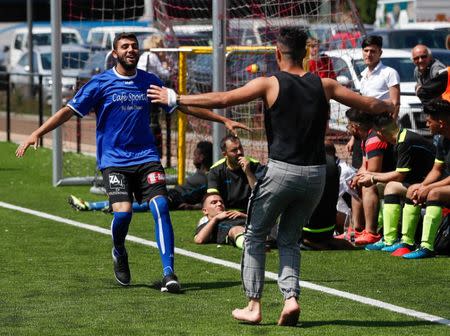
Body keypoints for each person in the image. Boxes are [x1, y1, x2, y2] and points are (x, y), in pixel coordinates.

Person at [148, 26, 394, 326]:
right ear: (306, 53)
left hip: (282, 171)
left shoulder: (269, 83)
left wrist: (176, 98)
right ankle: (290, 299)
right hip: (316, 174)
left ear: (278, 53)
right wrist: (389, 106)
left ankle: (253, 304)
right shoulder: (325, 84)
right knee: (290, 239)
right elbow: (368, 103)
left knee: (254, 236)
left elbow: (224, 99)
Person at [15, 33, 249, 293]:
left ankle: (169, 273)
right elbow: (68, 111)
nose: (130, 50)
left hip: (147, 158)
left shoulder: (150, 83)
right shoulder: (100, 84)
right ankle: (119, 250)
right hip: (114, 162)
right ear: (115, 53)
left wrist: (223, 121)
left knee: (160, 206)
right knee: (123, 213)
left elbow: (182, 105)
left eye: (134, 46)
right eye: (124, 46)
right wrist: (38, 132)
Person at [379, 98, 450, 258]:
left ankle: (427, 247)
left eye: (429, 121)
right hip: (445, 184)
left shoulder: (407, 140)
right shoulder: (441, 140)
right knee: (413, 189)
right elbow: (437, 169)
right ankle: (407, 242)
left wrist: (428, 188)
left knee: (434, 194)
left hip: (445, 186)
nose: (426, 124)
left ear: (441, 123)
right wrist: (422, 185)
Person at [356, 114, 435, 252]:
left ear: (380, 133)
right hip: (423, 182)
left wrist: (373, 178)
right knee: (388, 186)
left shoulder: (404, 141)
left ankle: (395, 240)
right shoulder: (402, 138)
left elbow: (399, 175)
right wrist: (369, 175)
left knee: (391, 186)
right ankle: (389, 239)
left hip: (432, 185)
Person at [68, 140, 213, 212]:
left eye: (195, 154)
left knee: (146, 204)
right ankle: (100, 205)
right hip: (172, 194)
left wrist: (193, 206)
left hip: (174, 198)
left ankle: (91, 205)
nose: (192, 157)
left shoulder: (207, 178)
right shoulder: (201, 174)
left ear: (202, 157)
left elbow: (206, 196)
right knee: (136, 197)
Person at [346, 35, 400, 170]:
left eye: (373, 51)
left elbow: (396, 103)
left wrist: (388, 132)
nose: (369, 54)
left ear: (380, 53)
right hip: (363, 129)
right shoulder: (363, 76)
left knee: (379, 169)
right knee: (359, 168)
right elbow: (360, 107)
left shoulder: (389, 73)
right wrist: (353, 138)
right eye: (366, 50)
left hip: (381, 129)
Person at [342, 108, 395, 245]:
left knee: (367, 184)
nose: (348, 129)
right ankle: (356, 230)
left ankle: (371, 232)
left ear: (355, 126)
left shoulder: (374, 139)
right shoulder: (367, 138)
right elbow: (364, 166)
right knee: (354, 183)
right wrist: (356, 177)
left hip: (394, 179)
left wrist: (360, 178)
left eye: (348, 125)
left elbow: (373, 170)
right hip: (383, 177)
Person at [302, 141, 354, 250]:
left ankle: (311, 241)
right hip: (329, 227)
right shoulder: (336, 166)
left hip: (311, 229)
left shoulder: (313, 164)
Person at [207, 134, 260, 211]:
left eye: (240, 148)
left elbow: (260, 193)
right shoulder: (216, 170)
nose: (239, 152)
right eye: (234, 150)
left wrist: (248, 172)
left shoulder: (255, 165)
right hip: (226, 211)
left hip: (251, 210)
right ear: (225, 154)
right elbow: (213, 197)